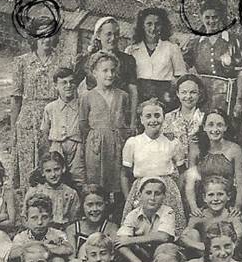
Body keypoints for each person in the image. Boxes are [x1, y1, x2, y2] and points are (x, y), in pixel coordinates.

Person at [10, 18, 76, 188]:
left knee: (54, 164)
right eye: (42, 34)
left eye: (50, 34)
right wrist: (13, 130)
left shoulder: (64, 61)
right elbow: (16, 97)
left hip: (55, 118)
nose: (47, 39)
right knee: (28, 166)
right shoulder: (22, 62)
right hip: (29, 121)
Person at [182, 0, 242, 142]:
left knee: (228, 130)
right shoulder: (195, 41)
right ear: (201, 17)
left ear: (221, 18)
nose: (211, 21)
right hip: (202, 96)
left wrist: (239, 101)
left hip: (226, 96)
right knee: (203, 131)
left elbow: (241, 73)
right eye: (207, 17)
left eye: (215, 17)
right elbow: (183, 67)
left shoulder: (233, 41)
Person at [120, 98, 186, 231]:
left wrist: (175, 192)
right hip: (141, 191)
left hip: (166, 191)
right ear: (141, 119)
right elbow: (124, 174)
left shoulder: (172, 143)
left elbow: (183, 172)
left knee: (167, 228)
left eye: (157, 115)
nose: (153, 120)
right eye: (148, 116)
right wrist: (129, 198)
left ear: (163, 117)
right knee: (139, 227)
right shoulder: (133, 143)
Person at [78, 51, 132, 208]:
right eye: (105, 70)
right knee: (97, 181)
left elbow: (126, 120)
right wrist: (93, 140)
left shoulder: (123, 96)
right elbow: (83, 125)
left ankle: (117, 214)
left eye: (113, 70)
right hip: (96, 146)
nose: (110, 74)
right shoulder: (86, 97)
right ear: (94, 72)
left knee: (119, 180)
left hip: (118, 144)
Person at [76, 16, 139, 126]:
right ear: (98, 36)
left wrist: (133, 122)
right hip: (95, 117)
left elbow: (133, 91)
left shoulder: (127, 60)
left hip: (120, 115)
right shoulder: (86, 60)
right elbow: (71, 84)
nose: (113, 38)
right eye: (108, 34)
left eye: (116, 34)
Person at [185, 108, 242, 218]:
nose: (215, 129)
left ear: (226, 127)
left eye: (219, 125)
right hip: (203, 200)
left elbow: (240, 183)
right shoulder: (196, 147)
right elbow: (190, 183)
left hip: (226, 200)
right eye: (211, 125)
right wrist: (193, 207)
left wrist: (237, 206)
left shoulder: (234, 149)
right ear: (204, 127)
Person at [126, 6, 187, 111]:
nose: (153, 28)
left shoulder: (172, 48)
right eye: (149, 24)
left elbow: (180, 77)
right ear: (142, 26)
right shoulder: (131, 50)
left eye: (157, 24)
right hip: (139, 99)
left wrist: (168, 94)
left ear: (163, 26)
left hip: (165, 99)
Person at [115, 176, 178, 262]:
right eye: (148, 193)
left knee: (166, 246)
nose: (152, 198)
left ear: (164, 197)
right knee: (122, 250)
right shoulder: (133, 214)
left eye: (157, 194)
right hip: (142, 257)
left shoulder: (168, 211)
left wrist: (131, 240)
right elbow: (121, 241)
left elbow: (163, 237)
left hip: (162, 255)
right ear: (140, 195)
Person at [9, 193, 74, 262]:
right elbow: (13, 254)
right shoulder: (21, 237)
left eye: (44, 217)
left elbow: (68, 249)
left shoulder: (57, 234)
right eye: (34, 218)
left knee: (58, 260)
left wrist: (35, 248)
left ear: (51, 218)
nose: (39, 222)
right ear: (26, 219)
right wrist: (43, 246)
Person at [181, 175, 242, 261]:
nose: (215, 199)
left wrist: (222, 247)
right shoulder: (200, 215)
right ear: (204, 198)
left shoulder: (231, 214)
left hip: (227, 254)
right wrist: (202, 247)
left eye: (220, 194)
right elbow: (184, 238)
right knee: (192, 233)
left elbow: (240, 235)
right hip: (205, 255)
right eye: (211, 195)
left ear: (228, 196)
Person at [40, 67, 85, 185]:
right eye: (64, 83)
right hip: (57, 146)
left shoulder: (83, 105)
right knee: (57, 177)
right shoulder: (50, 108)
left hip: (77, 146)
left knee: (78, 177)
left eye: (71, 82)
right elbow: (45, 132)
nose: (68, 85)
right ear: (56, 86)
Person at [65, 184, 119, 262]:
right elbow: (71, 259)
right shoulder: (73, 229)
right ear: (82, 206)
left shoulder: (111, 228)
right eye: (90, 205)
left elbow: (110, 257)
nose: (94, 209)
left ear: (105, 204)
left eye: (99, 204)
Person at [25, 151, 80, 229]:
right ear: (42, 172)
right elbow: (24, 217)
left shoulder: (71, 194)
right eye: (48, 171)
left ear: (63, 169)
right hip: (39, 231)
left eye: (56, 169)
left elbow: (74, 220)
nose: (53, 174)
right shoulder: (34, 191)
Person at [162, 74, 207, 167]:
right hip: (173, 169)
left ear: (199, 94)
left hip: (199, 169)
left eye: (193, 92)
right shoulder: (168, 118)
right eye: (184, 92)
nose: (188, 96)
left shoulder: (206, 119)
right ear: (178, 94)